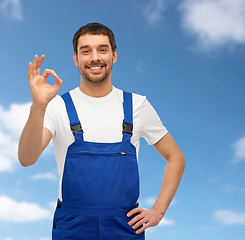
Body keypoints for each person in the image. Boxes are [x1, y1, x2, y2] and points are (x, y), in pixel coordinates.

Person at [18, 22, 185, 239]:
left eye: (102, 49)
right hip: (72, 227)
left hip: (126, 226)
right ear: (76, 58)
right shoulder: (57, 106)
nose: (94, 57)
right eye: (85, 51)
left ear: (114, 55)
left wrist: (158, 211)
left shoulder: (137, 105)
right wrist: (38, 105)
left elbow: (176, 157)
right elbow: (26, 158)